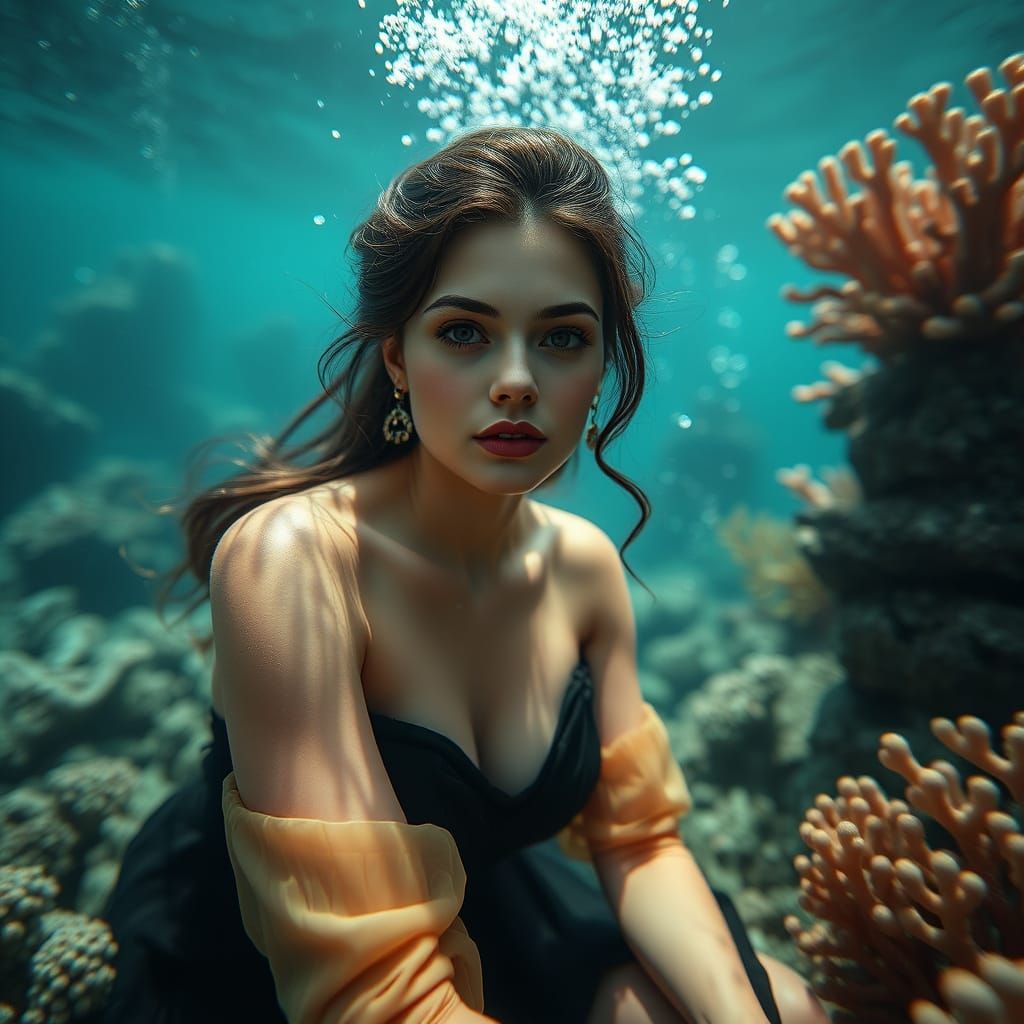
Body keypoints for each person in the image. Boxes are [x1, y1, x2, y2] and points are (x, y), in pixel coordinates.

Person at [98, 126, 827, 1024]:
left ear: (604, 366)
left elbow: (639, 844)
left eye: (562, 338)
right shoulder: (292, 559)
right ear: (397, 355)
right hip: (275, 964)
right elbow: (369, 988)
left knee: (785, 1007)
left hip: (491, 904)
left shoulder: (586, 568)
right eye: (464, 332)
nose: (517, 381)